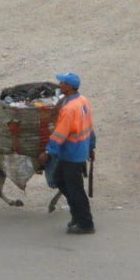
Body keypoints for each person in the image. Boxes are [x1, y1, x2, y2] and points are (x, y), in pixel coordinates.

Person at [39, 72, 96, 234]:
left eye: (62, 83)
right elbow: (90, 126)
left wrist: (48, 153)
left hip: (71, 153)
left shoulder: (69, 109)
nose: (59, 84)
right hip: (79, 150)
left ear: (69, 87)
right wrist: (91, 147)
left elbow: (59, 135)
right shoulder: (82, 101)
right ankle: (77, 215)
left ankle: (85, 223)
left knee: (75, 189)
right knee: (61, 181)